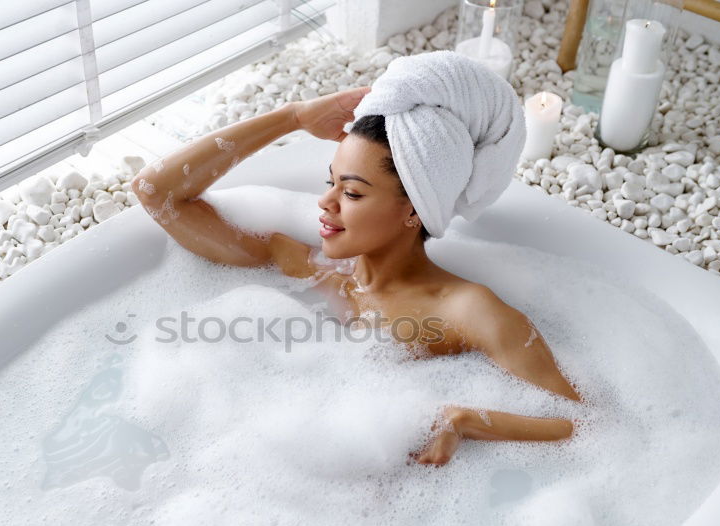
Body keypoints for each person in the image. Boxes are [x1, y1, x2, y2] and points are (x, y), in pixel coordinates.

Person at [133, 80, 582, 468]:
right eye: (330, 181)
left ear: (412, 210)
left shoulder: (466, 308)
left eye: (350, 191)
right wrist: (293, 117)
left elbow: (579, 421)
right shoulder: (310, 266)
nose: (325, 203)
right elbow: (156, 193)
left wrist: (461, 421)